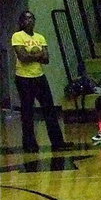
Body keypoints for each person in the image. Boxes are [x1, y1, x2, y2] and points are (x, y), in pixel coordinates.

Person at [11, 11, 73, 153]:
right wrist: (38, 54)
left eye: (32, 18)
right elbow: (23, 57)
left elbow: (46, 59)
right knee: (27, 112)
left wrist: (33, 55)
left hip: (39, 76)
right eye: (26, 19)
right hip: (23, 78)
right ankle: (29, 144)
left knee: (49, 109)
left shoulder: (40, 37)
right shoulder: (17, 36)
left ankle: (57, 142)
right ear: (21, 22)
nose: (30, 21)